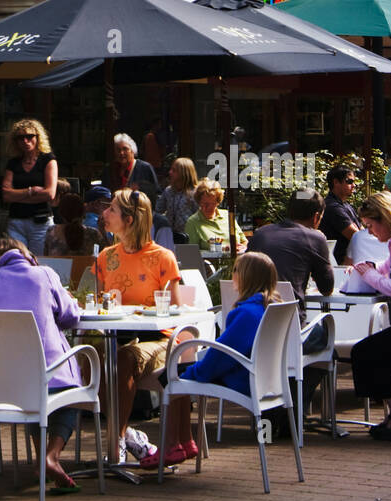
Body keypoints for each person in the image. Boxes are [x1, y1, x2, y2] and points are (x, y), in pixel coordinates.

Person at [0, 236, 84, 493]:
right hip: (49, 371)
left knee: (32, 395)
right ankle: (51, 456)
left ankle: (39, 459)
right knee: (73, 397)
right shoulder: (44, 274)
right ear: (27, 255)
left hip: (8, 379)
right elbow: (70, 316)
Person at [94, 188, 196, 465]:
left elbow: (175, 312)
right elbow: (98, 303)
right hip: (118, 337)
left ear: (129, 219)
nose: (104, 213)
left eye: (112, 209)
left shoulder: (162, 257)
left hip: (161, 340)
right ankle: (128, 436)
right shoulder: (105, 257)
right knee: (86, 362)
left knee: (123, 360)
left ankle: (116, 443)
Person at [161, 252, 279, 435]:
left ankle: (178, 441)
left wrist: (195, 372)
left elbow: (221, 355)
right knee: (176, 372)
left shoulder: (247, 313)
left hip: (242, 379)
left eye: (235, 270)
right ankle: (183, 441)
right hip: (267, 380)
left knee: (169, 375)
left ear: (245, 276)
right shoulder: (272, 307)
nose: (233, 275)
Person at [248, 191, 333, 342]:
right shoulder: (315, 238)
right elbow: (327, 288)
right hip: (291, 332)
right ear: (316, 217)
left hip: (251, 327)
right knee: (326, 336)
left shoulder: (260, 234)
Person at [350, 192, 391, 439]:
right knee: (376, 353)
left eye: (370, 225)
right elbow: (387, 267)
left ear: (386, 219)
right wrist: (367, 267)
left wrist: (369, 276)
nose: (369, 232)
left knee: (366, 353)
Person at [1, 119, 58, 256]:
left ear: (38, 137)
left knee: (39, 261)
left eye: (30, 136)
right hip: (16, 221)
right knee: (16, 260)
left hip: (40, 222)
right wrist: (30, 191)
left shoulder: (48, 160)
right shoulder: (13, 163)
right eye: (21, 138)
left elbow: (49, 194)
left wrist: (18, 197)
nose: (25, 141)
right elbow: (6, 195)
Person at [184, 179, 247, 253]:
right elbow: (191, 253)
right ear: (199, 202)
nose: (209, 207)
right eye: (205, 204)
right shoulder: (193, 222)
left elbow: (245, 241)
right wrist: (224, 250)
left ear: (218, 202)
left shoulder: (227, 216)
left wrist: (243, 247)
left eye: (213, 204)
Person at [100, 133, 160, 204]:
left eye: (125, 149)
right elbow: (104, 194)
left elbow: (156, 193)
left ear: (132, 151)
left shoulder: (145, 168)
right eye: (118, 150)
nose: (121, 153)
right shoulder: (109, 170)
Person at [320, 164, 362, 265]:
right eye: (349, 181)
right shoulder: (332, 207)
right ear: (336, 182)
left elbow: (362, 231)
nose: (354, 185)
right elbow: (356, 236)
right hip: (338, 264)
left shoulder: (346, 205)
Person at [43, 190, 104, 258]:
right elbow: (107, 257)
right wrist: (103, 232)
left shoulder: (51, 232)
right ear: (83, 212)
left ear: (61, 213)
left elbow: (47, 258)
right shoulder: (94, 234)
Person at [155, 158, 198, 239]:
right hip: (169, 235)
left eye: (174, 170)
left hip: (188, 236)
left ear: (184, 173)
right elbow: (158, 210)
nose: (170, 172)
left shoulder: (194, 193)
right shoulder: (168, 191)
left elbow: (199, 216)